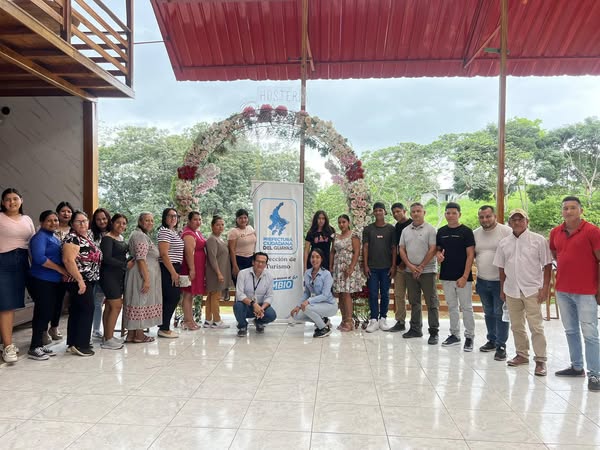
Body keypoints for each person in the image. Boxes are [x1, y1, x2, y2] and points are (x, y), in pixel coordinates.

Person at [493, 208, 552, 377]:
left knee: (536, 326)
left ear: (527, 221)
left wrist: (545, 288)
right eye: (514, 219)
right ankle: (522, 354)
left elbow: (547, 265)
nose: (517, 222)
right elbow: (501, 268)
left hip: (532, 289)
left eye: (520, 219)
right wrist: (502, 289)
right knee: (516, 325)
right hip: (511, 290)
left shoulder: (538, 240)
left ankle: (540, 359)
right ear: (509, 223)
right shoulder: (504, 243)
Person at [549, 196, 600, 391]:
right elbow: (555, 254)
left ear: (581, 210)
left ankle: (595, 374)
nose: (568, 211)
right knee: (570, 330)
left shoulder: (592, 231)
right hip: (563, 290)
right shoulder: (555, 232)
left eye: (572, 208)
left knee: (590, 333)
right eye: (565, 208)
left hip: (586, 291)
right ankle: (577, 367)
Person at [27, 210, 69, 360]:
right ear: (42, 222)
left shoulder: (54, 237)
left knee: (48, 313)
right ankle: (34, 347)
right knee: (41, 313)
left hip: (54, 281)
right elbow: (39, 258)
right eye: (49, 220)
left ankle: (40, 344)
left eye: (55, 220)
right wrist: (60, 269)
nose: (53, 223)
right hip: (41, 280)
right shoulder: (40, 237)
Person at [0, 188, 35, 363]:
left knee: (14, 303)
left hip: (23, 262)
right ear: (2, 202)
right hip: (3, 261)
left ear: (21, 200)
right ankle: (8, 346)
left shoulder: (27, 219)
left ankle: (6, 342)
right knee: (6, 305)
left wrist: (35, 266)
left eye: (15, 198)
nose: (12, 202)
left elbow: (32, 244)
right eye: (7, 199)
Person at [473, 205, 512, 361]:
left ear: (495, 216)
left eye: (488, 216)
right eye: (481, 217)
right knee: (488, 312)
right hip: (482, 280)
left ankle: (501, 345)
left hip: (500, 281)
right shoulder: (475, 233)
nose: (485, 220)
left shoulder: (506, 231)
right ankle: (492, 340)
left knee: (500, 313)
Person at [436, 202, 476, 351]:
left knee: (466, 307)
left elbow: (470, 255)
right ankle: (454, 335)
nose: (451, 215)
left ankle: (469, 337)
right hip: (446, 276)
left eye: (454, 213)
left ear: (459, 214)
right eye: (448, 213)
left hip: (463, 277)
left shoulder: (466, 231)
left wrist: (465, 276)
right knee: (452, 306)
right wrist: (438, 255)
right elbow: (438, 250)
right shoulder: (441, 231)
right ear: (445, 214)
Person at [63, 211, 102, 357]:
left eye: (85, 221)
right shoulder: (72, 238)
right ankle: (81, 344)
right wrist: (80, 280)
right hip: (79, 280)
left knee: (77, 310)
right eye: (78, 221)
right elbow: (68, 260)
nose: (82, 224)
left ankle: (73, 343)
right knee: (86, 309)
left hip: (88, 279)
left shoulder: (86, 237)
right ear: (72, 223)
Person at [399, 203, 440, 344]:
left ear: (424, 212)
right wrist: (410, 266)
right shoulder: (405, 230)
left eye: (418, 211)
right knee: (414, 301)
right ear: (410, 214)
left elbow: (433, 248)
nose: (416, 214)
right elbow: (401, 249)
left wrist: (421, 266)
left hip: (427, 271)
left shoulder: (431, 229)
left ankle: (434, 331)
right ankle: (415, 329)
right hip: (410, 271)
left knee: (431, 301)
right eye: (413, 212)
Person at [124, 212, 162, 343]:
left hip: (139, 273)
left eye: (152, 220)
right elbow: (141, 259)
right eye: (147, 220)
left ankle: (131, 334)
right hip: (141, 274)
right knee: (140, 301)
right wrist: (146, 279)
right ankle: (139, 335)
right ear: (140, 222)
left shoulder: (140, 234)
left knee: (136, 300)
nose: (150, 223)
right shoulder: (140, 235)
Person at [362, 202, 396, 332]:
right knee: (373, 293)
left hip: (387, 267)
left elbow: (394, 248)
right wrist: (365, 265)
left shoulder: (391, 229)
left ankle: (383, 319)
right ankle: (374, 320)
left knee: (385, 294)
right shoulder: (368, 229)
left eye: (380, 210)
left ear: (385, 212)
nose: (378, 212)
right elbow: (365, 247)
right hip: (372, 268)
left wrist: (393, 265)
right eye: (375, 210)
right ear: (373, 213)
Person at [99, 214, 130, 349]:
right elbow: (106, 258)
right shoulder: (107, 238)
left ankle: (108, 336)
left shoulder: (121, 238)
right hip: (108, 276)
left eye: (124, 223)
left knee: (110, 306)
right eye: (118, 222)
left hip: (118, 276)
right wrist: (125, 264)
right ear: (112, 223)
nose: (121, 225)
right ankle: (109, 339)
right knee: (116, 305)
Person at [291, 248, 337, 338]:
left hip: (330, 305)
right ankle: (323, 321)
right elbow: (307, 293)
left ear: (321, 259)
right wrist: (298, 306)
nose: (314, 259)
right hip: (317, 305)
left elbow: (325, 295)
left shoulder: (326, 274)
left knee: (307, 307)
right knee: (296, 315)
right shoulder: (307, 273)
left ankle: (324, 328)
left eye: (317, 257)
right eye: (312, 257)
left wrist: (308, 301)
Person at [330, 214, 365, 332]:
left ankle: (350, 321)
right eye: (339, 222)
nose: (341, 224)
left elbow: (357, 252)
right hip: (337, 268)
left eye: (344, 222)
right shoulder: (335, 236)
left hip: (348, 268)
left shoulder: (353, 235)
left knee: (346, 294)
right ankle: (344, 319)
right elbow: (332, 252)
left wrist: (351, 268)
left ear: (348, 222)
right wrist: (331, 267)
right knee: (340, 294)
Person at [48, 200, 75, 342]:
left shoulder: (74, 230)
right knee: (50, 300)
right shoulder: (50, 228)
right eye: (63, 211)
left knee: (61, 300)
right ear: (57, 213)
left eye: (69, 211)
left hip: (70, 270)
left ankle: (54, 327)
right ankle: (43, 329)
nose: (66, 214)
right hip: (52, 268)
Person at [234, 252, 276, 336]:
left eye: (263, 262)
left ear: (266, 264)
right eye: (258, 261)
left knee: (271, 315)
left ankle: (258, 322)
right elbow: (239, 294)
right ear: (253, 262)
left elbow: (269, 296)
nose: (260, 264)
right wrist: (253, 304)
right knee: (238, 306)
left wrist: (261, 309)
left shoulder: (269, 276)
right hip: (246, 305)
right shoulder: (242, 273)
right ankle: (242, 326)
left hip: (260, 306)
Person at [157, 208, 184, 338]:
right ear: (165, 217)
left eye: (175, 216)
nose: (173, 218)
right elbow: (163, 253)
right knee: (172, 296)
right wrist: (173, 272)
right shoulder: (164, 231)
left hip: (175, 267)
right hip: (168, 268)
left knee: (172, 297)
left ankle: (164, 325)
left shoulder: (173, 232)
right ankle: (164, 328)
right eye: (170, 216)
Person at [180, 211, 207, 329]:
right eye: (195, 219)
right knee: (188, 293)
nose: (198, 222)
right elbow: (188, 252)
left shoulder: (197, 232)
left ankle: (190, 319)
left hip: (199, 266)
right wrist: (192, 269)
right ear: (189, 221)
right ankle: (187, 321)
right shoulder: (188, 233)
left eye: (199, 219)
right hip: (191, 266)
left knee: (192, 294)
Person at [389, 202, 412, 332]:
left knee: (413, 296)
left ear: (404, 211)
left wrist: (405, 261)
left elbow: (412, 245)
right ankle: (400, 321)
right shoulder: (396, 227)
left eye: (398, 211)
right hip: (399, 266)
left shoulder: (412, 224)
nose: (396, 214)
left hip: (412, 265)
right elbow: (396, 247)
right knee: (399, 294)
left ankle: (416, 323)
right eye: (394, 212)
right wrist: (395, 264)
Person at [205, 215, 231, 328]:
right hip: (215, 272)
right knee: (215, 295)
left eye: (222, 225)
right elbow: (212, 258)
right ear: (212, 226)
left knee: (211, 295)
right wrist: (218, 273)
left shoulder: (220, 238)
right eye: (217, 225)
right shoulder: (212, 239)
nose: (220, 227)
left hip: (219, 271)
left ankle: (208, 320)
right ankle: (217, 320)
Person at [90, 208, 111, 339]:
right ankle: (96, 330)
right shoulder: (90, 234)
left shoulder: (114, 233)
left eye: (104, 218)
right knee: (96, 303)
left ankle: (109, 330)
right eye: (98, 219)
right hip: (95, 274)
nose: (102, 221)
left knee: (111, 303)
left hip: (110, 274)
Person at [228, 208, 257, 285]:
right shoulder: (234, 231)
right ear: (236, 219)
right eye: (240, 218)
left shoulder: (250, 228)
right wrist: (235, 266)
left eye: (245, 217)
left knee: (250, 285)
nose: (243, 220)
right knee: (240, 285)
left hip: (251, 260)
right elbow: (232, 250)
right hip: (239, 260)